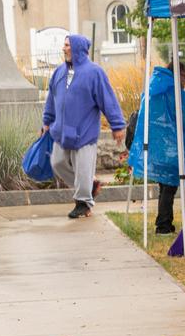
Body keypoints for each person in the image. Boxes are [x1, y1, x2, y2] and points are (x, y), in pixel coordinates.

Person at [42, 32, 126, 220]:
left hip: (84, 132)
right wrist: (47, 121)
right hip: (61, 132)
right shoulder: (59, 72)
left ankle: (83, 203)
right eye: (64, 45)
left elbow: (108, 99)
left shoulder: (94, 72)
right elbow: (51, 99)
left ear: (77, 48)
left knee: (83, 169)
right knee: (57, 162)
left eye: (67, 45)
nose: (63, 48)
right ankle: (90, 185)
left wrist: (117, 125)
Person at [126, 55, 185, 236]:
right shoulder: (175, 92)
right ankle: (163, 226)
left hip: (155, 147)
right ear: (178, 75)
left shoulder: (153, 87)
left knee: (165, 185)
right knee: (169, 187)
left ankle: (164, 223)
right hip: (170, 149)